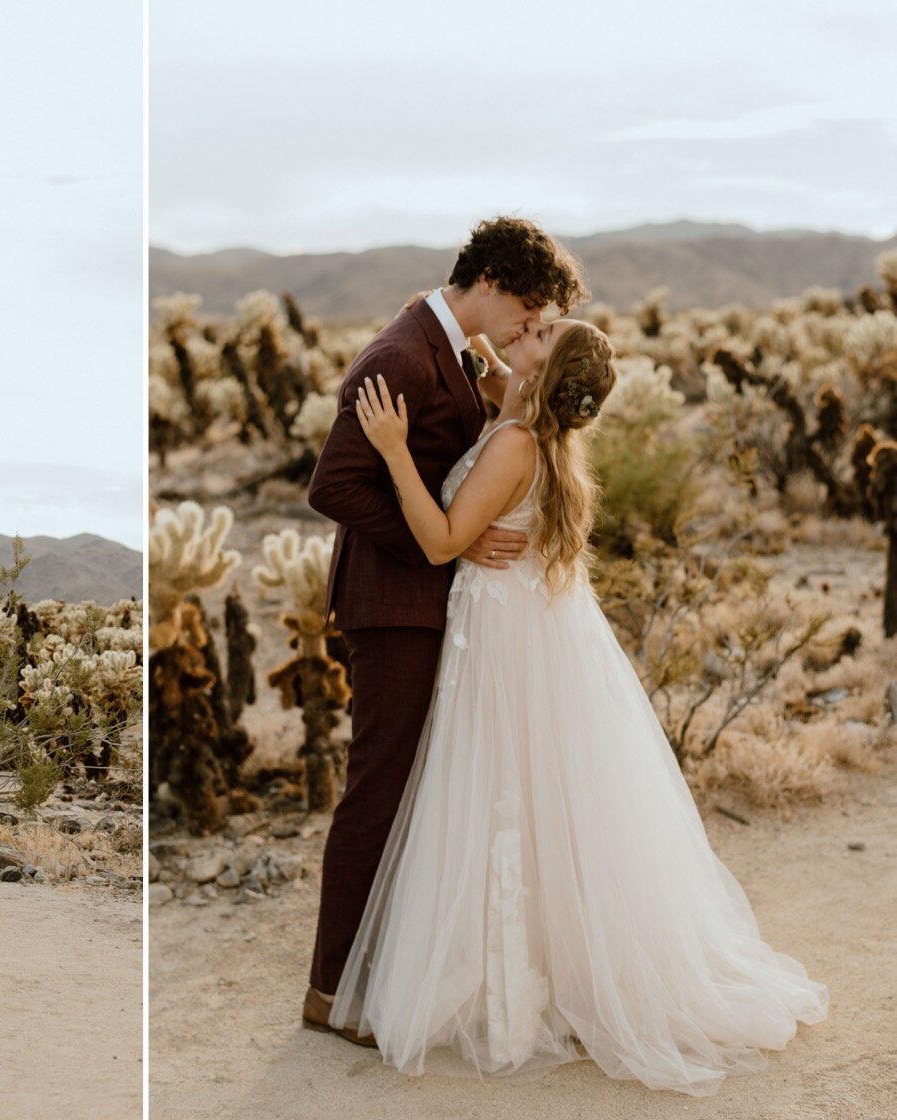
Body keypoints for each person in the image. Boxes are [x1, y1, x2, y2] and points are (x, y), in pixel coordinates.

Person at [327, 317, 828, 1095]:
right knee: (527, 793)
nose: (523, 330)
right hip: (521, 624)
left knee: (499, 790)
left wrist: (395, 454)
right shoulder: (534, 431)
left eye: (538, 333)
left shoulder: (515, 445)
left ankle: (509, 977)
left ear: (545, 369)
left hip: (497, 635)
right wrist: (497, 369)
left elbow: (435, 541)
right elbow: (499, 395)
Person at [303, 217, 588, 1039]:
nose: (527, 327)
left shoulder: (448, 347)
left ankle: (376, 975)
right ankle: (330, 991)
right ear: (490, 280)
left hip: (430, 603)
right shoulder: (401, 355)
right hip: (393, 606)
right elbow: (333, 487)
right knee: (378, 792)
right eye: (526, 308)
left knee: (408, 792)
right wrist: (443, 550)